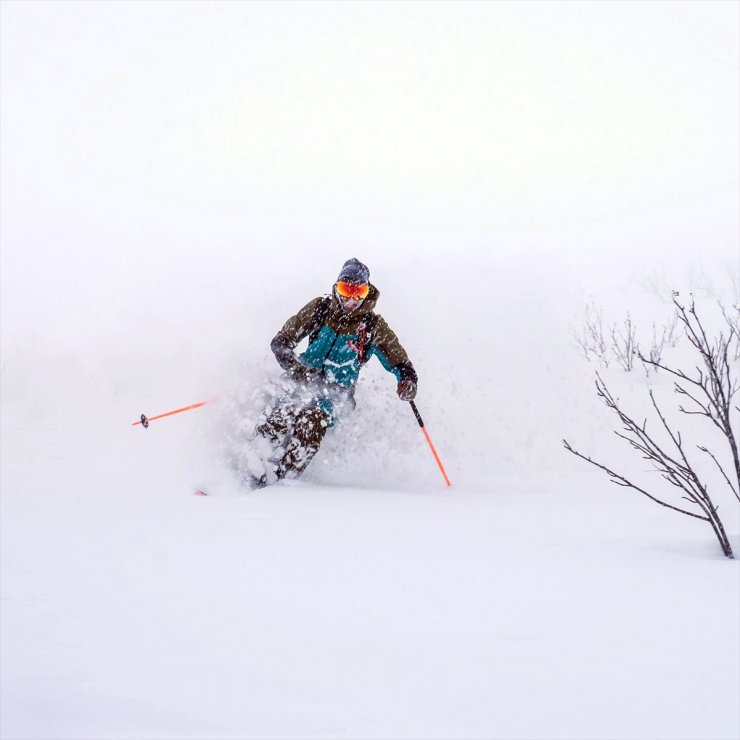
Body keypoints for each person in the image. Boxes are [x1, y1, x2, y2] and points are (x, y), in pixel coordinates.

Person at [249, 258, 417, 487]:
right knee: (283, 413)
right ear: (337, 287)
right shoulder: (320, 308)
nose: (351, 299)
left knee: (311, 420)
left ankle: (281, 483)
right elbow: (281, 342)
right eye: (346, 289)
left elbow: (398, 359)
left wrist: (407, 379)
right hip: (302, 381)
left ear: (367, 293)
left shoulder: (372, 326)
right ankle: (252, 469)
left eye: (359, 292)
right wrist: (294, 366)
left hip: (335, 396)